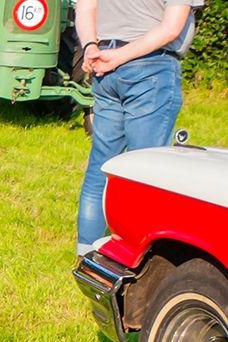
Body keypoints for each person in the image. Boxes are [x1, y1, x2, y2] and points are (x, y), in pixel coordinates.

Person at [74, 0, 196, 255]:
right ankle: (138, 259)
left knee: (101, 167)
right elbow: (171, 28)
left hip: (104, 67)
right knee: (146, 174)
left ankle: (86, 255)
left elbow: (85, 8)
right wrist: (119, 57)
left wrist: (90, 48)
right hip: (149, 67)